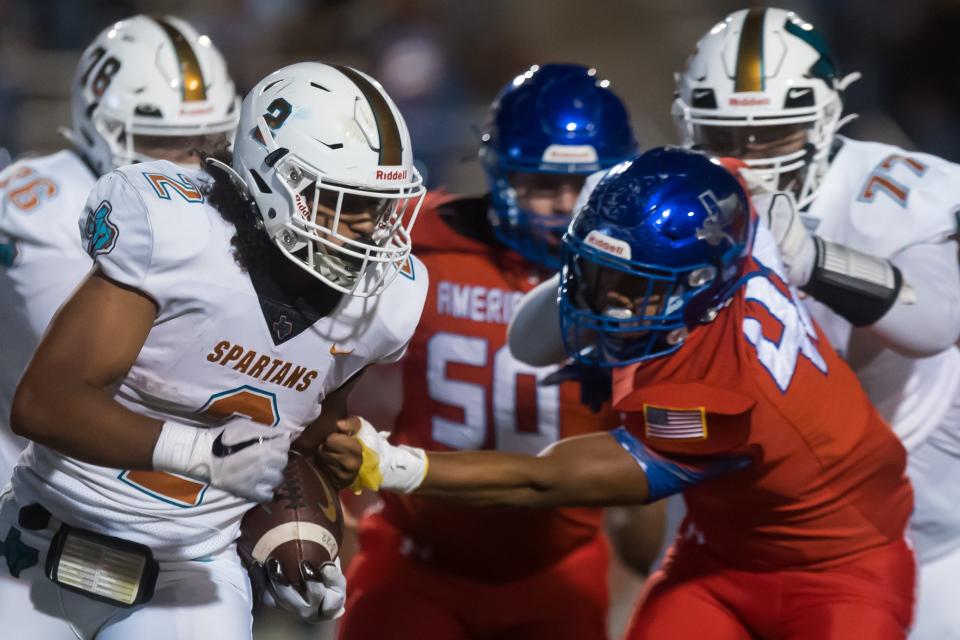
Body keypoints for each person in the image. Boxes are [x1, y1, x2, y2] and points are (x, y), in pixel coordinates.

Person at [331, 147, 916, 639]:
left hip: (842, 569)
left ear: (699, 285)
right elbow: (717, 174)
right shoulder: (725, 223)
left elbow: (545, 480)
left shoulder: (719, 396)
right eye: (596, 274)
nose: (604, 300)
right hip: (718, 552)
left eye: (632, 287)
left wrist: (397, 466)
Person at [1, 61, 425, 639]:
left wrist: (302, 541)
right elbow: (46, 403)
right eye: (343, 201)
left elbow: (299, 440)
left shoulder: (384, 304)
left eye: (379, 207)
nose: (369, 232)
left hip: (190, 568)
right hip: (42, 539)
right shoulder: (175, 231)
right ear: (276, 179)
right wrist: (200, 452)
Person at [671, 9, 960, 637]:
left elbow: (937, 318)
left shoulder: (900, 192)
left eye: (772, 136)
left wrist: (811, 259)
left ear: (824, 119)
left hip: (920, 524)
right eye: (724, 138)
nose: (745, 162)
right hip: (745, 519)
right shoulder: (671, 197)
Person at [338, 63, 638, 640]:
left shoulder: (636, 276)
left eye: (587, 185)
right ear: (501, 175)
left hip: (559, 570)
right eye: (542, 184)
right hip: (416, 559)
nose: (566, 205)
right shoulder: (419, 239)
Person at [0, 14, 239, 489]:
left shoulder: (232, 211)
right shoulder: (37, 209)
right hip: (34, 483)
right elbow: (124, 385)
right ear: (98, 127)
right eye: (163, 144)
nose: (188, 167)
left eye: (205, 143)